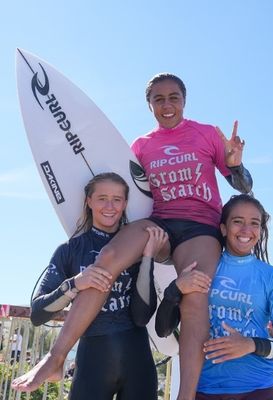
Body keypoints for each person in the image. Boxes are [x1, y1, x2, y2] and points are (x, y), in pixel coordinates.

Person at [13, 73, 253, 400]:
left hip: (200, 228)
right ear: (150, 104)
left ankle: (186, 397)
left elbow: (243, 187)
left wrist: (235, 164)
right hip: (160, 222)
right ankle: (55, 359)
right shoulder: (141, 146)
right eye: (159, 99)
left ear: (184, 100)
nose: (167, 105)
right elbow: (133, 194)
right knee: (106, 260)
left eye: (173, 97)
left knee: (195, 294)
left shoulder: (207, 134)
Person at [13, 173, 166, 399]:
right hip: (93, 360)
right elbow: (37, 314)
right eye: (102, 198)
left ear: (125, 204)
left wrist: (147, 259)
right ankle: (54, 359)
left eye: (117, 199)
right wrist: (75, 284)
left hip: (136, 357)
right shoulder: (69, 250)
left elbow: (142, 316)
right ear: (89, 201)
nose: (110, 206)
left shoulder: (135, 247)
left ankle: (55, 359)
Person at [155, 194, 273, 400]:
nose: (246, 230)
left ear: (260, 230)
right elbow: (163, 329)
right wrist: (175, 289)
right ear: (223, 228)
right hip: (204, 390)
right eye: (237, 221)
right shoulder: (202, 267)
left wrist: (249, 344)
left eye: (254, 223)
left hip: (257, 390)